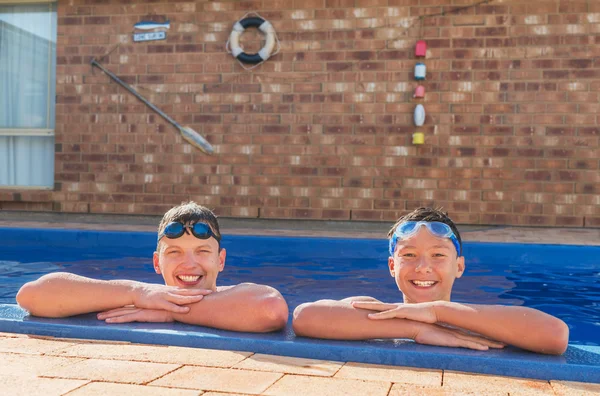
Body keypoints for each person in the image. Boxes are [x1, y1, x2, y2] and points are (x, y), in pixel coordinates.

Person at [293, 207, 569, 354]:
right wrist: (413, 329)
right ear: (392, 265)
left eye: (438, 254)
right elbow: (305, 317)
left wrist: (437, 313)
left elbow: (555, 336)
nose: (423, 267)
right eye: (409, 255)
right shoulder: (375, 310)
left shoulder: (479, 322)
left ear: (459, 267)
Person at [17, 202, 288, 333]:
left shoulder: (236, 297)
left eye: (202, 251)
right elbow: (31, 296)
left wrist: (171, 312)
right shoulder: (137, 298)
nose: (189, 263)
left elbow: (270, 309)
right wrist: (137, 291)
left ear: (221, 260)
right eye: (175, 252)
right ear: (157, 263)